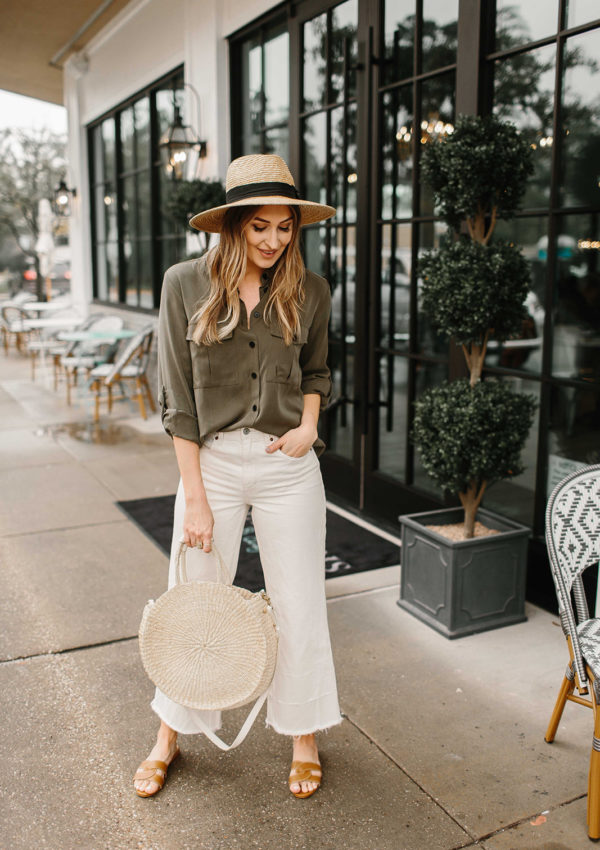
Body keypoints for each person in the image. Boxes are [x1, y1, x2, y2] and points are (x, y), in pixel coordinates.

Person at [133, 154, 343, 800]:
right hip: (213, 465)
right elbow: (178, 402)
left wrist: (309, 427)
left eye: (285, 228)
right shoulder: (182, 285)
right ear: (231, 226)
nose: (275, 241)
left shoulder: (310, 289)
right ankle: (170, 733)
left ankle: (304, 734)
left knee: (300, 602)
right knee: (193, 598)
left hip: (288, 464)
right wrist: (194, 497)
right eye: (261, 228)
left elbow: (316, 371)